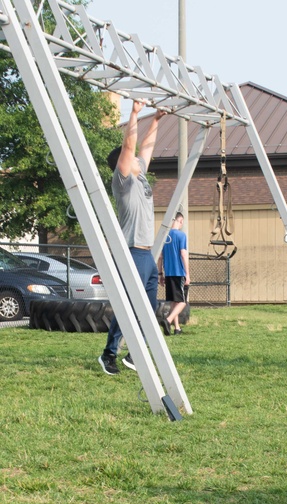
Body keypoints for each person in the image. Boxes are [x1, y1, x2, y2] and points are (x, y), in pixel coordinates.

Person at [98, 100, 167, 376]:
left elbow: (145, 148)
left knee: (148, 311)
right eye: (133, 159)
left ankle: (133, 356)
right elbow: (130, 147)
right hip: (132, 252)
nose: (139, 160)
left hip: (146, 254)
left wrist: (157, 120)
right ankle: (109, 354)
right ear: (123, 165)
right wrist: (135, 114)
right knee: (130, 308)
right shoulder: (123, 182)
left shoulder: (141, 179)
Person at [158, 213, 190, 336]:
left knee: (173, 302)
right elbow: (183, 254)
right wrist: (187, 273)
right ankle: (168, 320)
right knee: (182, 301)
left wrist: (160, 274)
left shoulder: (164, 236)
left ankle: (177, 328)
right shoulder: (181, 235)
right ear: (180, 221)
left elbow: (160, 257)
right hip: (179, 272)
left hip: (168, 273)